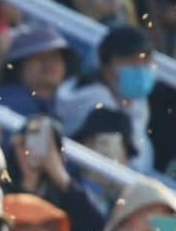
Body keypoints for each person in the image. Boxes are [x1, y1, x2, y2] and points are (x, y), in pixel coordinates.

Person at [57, 26, 155, 173]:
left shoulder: (139, 106)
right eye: (130, 62)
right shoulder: (90, 102)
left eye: (145, 61)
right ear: (106, 67)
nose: (140, 69)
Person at [0, 26, 75, 118]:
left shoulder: (66, 105)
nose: (48, 64)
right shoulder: (12, 100)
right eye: (40, 58)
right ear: (20, 67)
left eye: (55, 57)